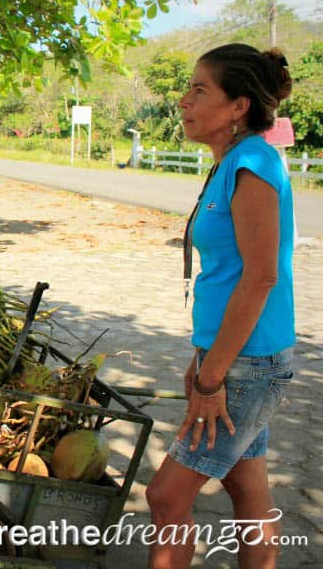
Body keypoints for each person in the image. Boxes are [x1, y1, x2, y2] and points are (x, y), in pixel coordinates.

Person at [146, 43, 294, 568]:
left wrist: (212, 378)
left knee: (166, 496)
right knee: (249, 492)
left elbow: (260, 277)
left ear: (238, 107)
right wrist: (202, 357)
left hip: (247, 364)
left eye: (199, 90)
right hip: (232, 356)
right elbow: (229, 274)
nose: (184, 101)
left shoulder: (253, 163)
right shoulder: (231, 162)